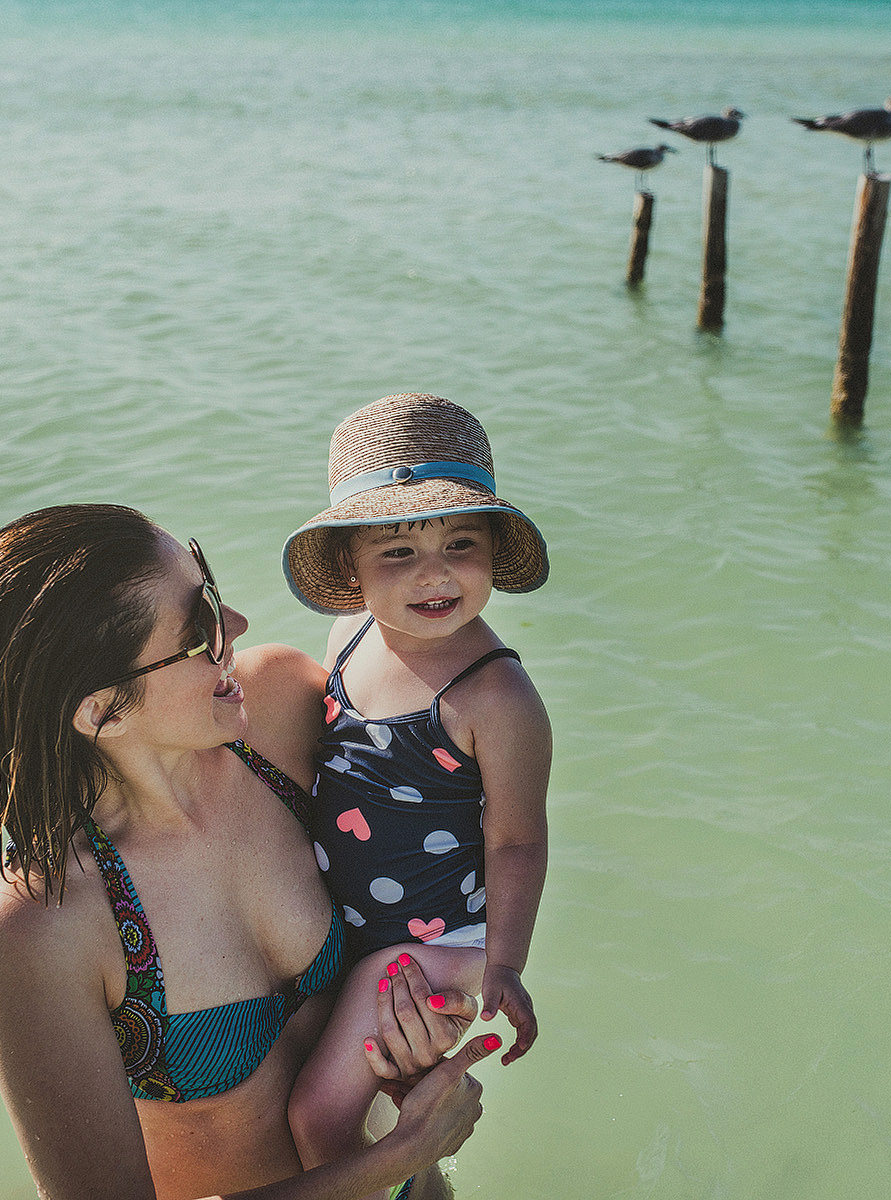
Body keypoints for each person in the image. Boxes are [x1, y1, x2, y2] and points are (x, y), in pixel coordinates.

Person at [0, 503, 496, 1200]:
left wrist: (416, 1043)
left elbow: (429, 878)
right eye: (199, 626)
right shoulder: (46, 921)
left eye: (208, 586)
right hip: (394, 1166)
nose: (234, 623)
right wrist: (399, 1154)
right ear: (104, 711)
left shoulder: (279, 712)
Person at [278, 394, 552, 1192]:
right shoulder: (347, 636)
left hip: (425, 946)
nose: (434, 574)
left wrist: (505, 963)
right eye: (397, 552)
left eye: (460, 544)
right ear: (350, 568)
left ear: (494, 554)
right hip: (361, 926)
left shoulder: (494, 696)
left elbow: (518, 841)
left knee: (317, 1119)